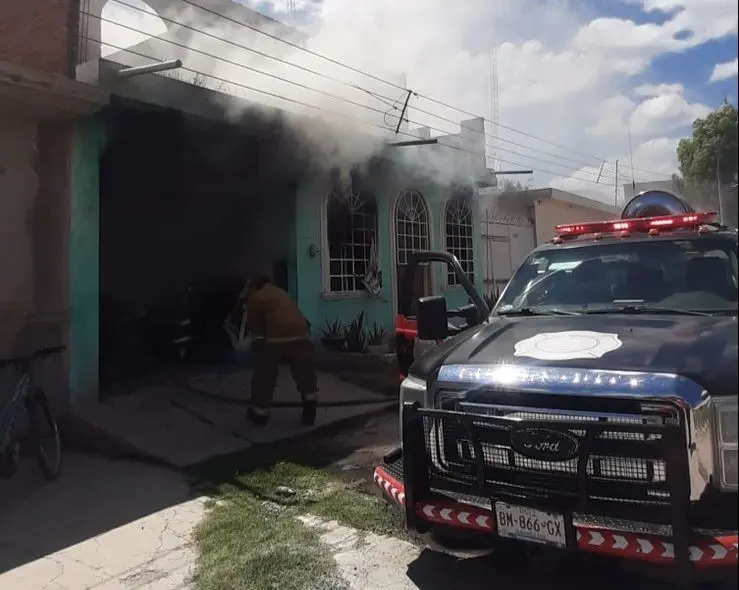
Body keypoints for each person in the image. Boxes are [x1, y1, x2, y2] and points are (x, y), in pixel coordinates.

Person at [243, 275, 318, 426]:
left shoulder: (256, 296)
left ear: (257, 285)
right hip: (302, 335)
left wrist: (259, 348)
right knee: (305, 374)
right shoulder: (283, 294)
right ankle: (310, 412)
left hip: (276, 337)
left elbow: (255, 327)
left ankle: (260, 414)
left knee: (264, 375)